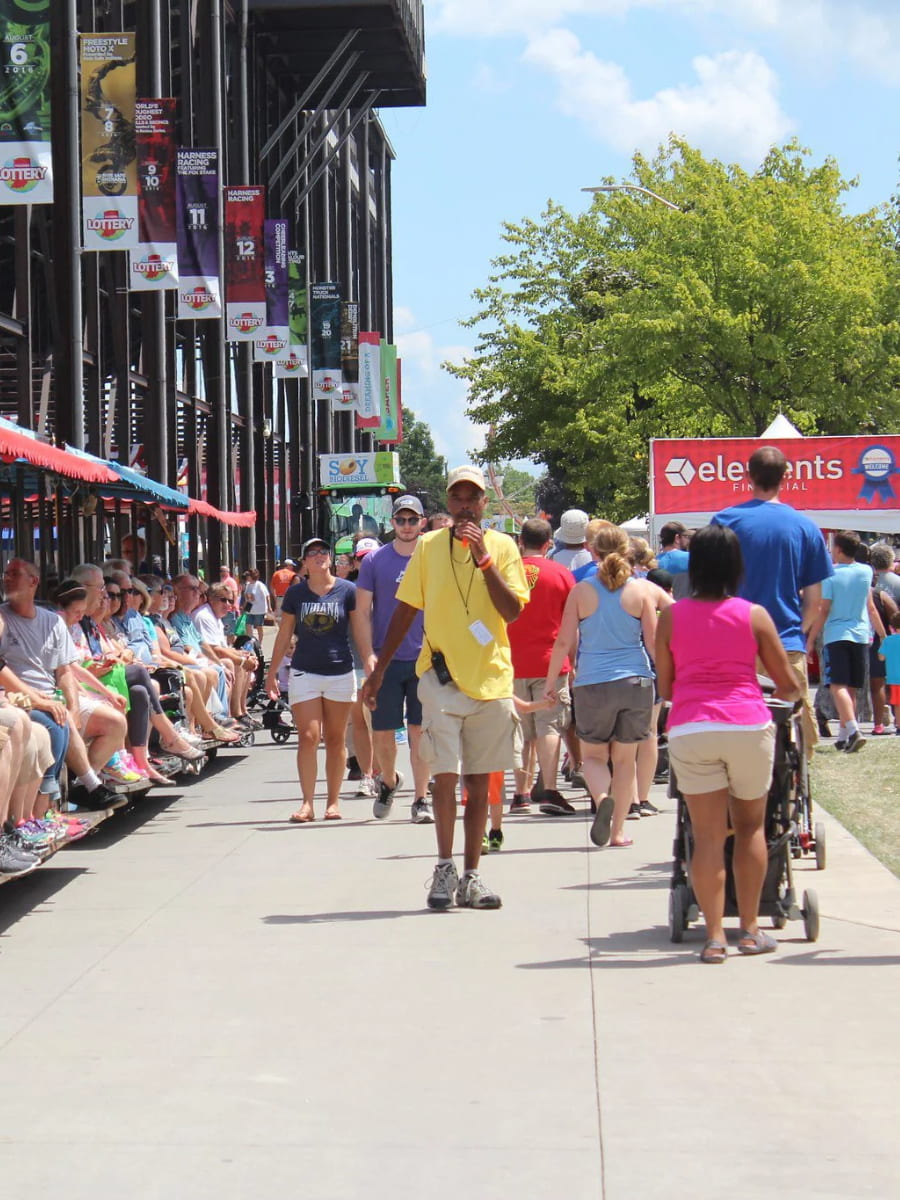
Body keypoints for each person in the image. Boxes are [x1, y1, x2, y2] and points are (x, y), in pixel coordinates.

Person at [363, 465, 529, 910]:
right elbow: (405, 609)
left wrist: (485, 561)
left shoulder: (504, 547)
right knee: (443, 777)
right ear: (448, 504)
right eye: (457, 498)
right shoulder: (429, 547)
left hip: (490, 681)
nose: (465, 505)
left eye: (472, 498)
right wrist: (377, 671)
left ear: (484, 504)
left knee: (479, 782)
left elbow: (512, 611)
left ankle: (472, 874)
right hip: (439, 679)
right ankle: (443, 866)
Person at [655, 524, 801, 963]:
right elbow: (787, 684)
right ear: (737, 567)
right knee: (752, 827)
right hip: (746, 724)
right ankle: (751, 929)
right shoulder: (753, 614)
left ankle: (714, 937)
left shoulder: (672, 616)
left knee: (707, 837)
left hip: (692, 726)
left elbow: (666, 685)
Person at [712, 445, 833, 755]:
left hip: (733, 641)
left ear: (748, 475)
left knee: (736, 724)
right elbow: (814, 601)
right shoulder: (805, 527)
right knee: (795, 720)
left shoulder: (724, 522)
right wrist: (798, 631)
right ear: (786, 477)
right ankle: (794, 787)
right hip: (785, 642)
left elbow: (710, 588)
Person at [544, 524, 658, 849]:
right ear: (627, 552)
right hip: (635, 681)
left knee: (593, 757)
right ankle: (619, 831)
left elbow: (564, 640)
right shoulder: (640, 592)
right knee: (625, 761)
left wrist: (552, 682)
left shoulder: (582, 592)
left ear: (592, 552)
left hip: (592, 682)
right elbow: (652, 642)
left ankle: (602, 796)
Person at [264, 538, 369, 822]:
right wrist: (272, 672)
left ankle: (332, 803)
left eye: (324, 552)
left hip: (340, 671)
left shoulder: (347, 590)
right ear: (305, 562)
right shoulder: (297, 594)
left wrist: (370, 660)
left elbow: (359, 628)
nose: (320, 556)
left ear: (331, 558)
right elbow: (284, 633)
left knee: (335, 739)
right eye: (313, 553)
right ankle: (307, 803)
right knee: (309, 736)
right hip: (304, 671)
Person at [356, 494, 434, 824]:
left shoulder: (433, 558)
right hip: (385, 660)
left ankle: (421, 798)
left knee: (420, 731)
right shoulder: (375, 561)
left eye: (412, 520)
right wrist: (369, 656)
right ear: (392, 523)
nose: (406, 525)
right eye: (400, 520)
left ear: (422, 522)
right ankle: (388, 780)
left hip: (425, 659)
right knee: (383, 732)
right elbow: (361, 613)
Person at [507, 517, 574, 814]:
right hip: (551, 661)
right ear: (549, 544)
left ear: (521, 542)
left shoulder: (505, 572)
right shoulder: (561, 574)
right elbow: (572, 625)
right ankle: (549, 788)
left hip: (511, 661)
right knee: (549, 726)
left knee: (521, 730)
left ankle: (520, 793)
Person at [805, 531, 884, 753]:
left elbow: (824, 609)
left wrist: (810, 639)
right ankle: (844, 735)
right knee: (852, 688)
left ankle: (853, 728)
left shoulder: (830, 575)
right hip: (860, 635)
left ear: (838, 550)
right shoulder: (866, 571)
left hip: (836, 635)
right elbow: (870, 606)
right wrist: (882, 634)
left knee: (837, 685)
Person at [241, 568, 271, 643]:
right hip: (249, 608)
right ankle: (250, 641)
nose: (247, 577)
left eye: (248, 575)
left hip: (259, 609)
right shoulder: (248, 585)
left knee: (258, 626)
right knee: (248, 625)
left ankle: (259, 642)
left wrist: (269, 607)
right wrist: (243, 606)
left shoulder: (260, 585)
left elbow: (267, 596)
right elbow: (246, 598)